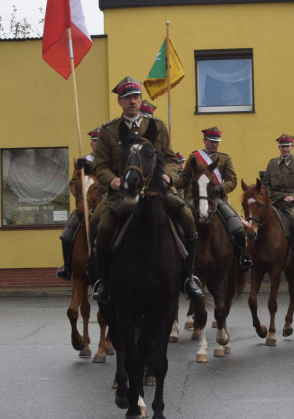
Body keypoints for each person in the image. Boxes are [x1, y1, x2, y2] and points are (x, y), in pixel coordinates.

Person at [90, 76, 202, 303]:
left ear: (141, 100)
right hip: (122, 193)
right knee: (100, 225)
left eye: (136, 97)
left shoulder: (156, 127)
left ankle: (188, 277)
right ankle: (102, 281)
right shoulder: (109, 131)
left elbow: (170, 158)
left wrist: (167, 176)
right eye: (128, 98)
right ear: (120, 102)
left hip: (156, 191)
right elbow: (99, 165)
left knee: (187, 216)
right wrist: (111, 180)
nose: (133, 101)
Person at [176, 125, 253, 272]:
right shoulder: (194, 156)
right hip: (195, 199)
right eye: (211, 141)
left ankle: (242, 257)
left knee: (237, 225)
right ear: (204, 140)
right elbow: (185, 178)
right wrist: (170, 183)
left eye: (216, 141)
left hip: (217, 199)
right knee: (179, 222)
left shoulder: (225, 158)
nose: (214, 144)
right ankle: (178, 258)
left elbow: (232, 180)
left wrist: (221, 188)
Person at [56, 129, 102, 280]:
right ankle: (67, 266)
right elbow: (73, 185)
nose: (97, 143)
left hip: (106, 203)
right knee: (67, 234)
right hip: (85, 205)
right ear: (91, 143)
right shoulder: (84, 160)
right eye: (95, 140)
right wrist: (78, 170)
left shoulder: (111, 159)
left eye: (100, 140)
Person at [260, 133, 294, 264]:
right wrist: (268, 196)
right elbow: (266, 185)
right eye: (282, 146)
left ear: (292, 146)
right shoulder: (272, 164)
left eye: (287, 146)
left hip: (292, 202)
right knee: (259, 217)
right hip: (274, 200)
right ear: (279, 147)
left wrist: (293, 197)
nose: (285, 149)